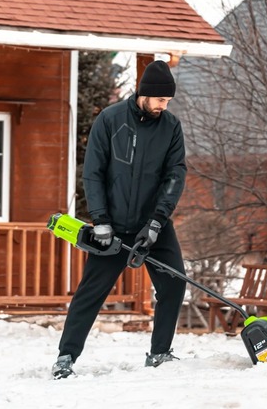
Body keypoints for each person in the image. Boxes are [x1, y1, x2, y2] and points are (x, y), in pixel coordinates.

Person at [52, 60, 188, 379]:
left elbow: (175, 175)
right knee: (92, 291)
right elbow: (93, 173)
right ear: (144, 93)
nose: (162, 106)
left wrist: (156, 223)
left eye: (167, 101)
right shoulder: (110, 119)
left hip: (153, 224)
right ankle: (66, 356)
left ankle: (159, 352)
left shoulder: (171, 127)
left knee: (174, 283)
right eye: (159, 99)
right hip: (112, 226)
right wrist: (100, 221)